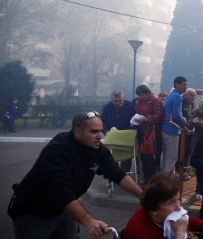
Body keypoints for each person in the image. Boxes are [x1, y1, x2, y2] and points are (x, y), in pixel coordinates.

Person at [8, 112, 143, 239]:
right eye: (94, 131)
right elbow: (60, 189)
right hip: (36, 212)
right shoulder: (58, 148)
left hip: (66, 209)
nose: (100, 136)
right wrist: (88, 221)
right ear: (78, 132)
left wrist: (143, 196)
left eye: (101, 131)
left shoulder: (98, 149)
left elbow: (117, 174)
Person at [123, 174, 203, 239]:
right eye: (171, 202)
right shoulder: (138, 231)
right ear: (153, 210)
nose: (179, 207)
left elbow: (185, 219)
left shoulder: (162, 216)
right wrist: (179, 234)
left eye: (178, 200)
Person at [134, 84, 164, 183]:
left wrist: (146, 118)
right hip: (141, 130)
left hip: (151, 132)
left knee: (149, 155)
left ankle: (151, 178)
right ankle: (146, 175)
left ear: (148, 93)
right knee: (143, 154)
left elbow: (159, 116)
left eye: (142, 95)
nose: (140, 97)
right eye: (138, 95)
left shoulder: (155, 100)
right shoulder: (140, 100)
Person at [101, 90, 135, 172]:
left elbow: (134, 119)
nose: (118, 103)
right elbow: (103, 121)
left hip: (126, 134)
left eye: (120, 100)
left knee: (126, 156)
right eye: (115, 101)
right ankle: (112, 176)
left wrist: (132, 129)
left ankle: (124, 175)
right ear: (111, 100)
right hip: (112, 135)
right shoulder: (107, 107)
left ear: (123, 99)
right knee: (111, 156)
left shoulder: (130, 106)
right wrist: (106, 131)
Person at [161, 76, 188, 175]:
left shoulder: (171, 95)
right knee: (172, 157)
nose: (186, 87)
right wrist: (184, 120)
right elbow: (176, 115)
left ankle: (168, 178)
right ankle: (166, 182)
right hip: (172, 131)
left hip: (166, 129)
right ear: (177, 85)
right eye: (184, 85)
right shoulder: (177, 96)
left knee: (167, 157)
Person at [179, 87, 197, 181]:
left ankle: (184, 171)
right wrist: (185, 128)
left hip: (190, 131)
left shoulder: (193, 104)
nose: (193, 97)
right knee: (180, 153)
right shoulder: (181, 103)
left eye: (194, 96)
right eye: (191, 95)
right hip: (181, 132)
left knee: (187, 153)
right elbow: (180, 118)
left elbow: (194, 114)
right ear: (186, 94)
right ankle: (178, 172)